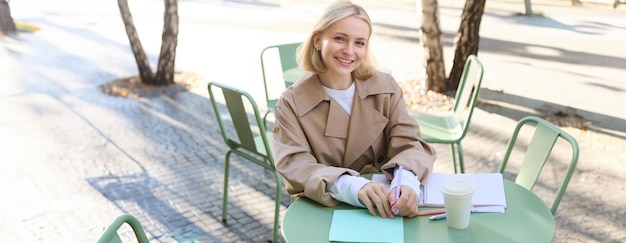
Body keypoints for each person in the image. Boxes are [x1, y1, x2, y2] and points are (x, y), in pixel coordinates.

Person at [272, 0, 436, 219]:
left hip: (388, 207)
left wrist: (406, 182)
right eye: (340, 38)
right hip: (326, 208)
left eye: (359, 42)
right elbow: (296, 165)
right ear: (318, 40)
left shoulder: (385, 87)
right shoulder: (291, 103)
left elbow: (410, 143)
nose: (349, 51)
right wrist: (352, 186)